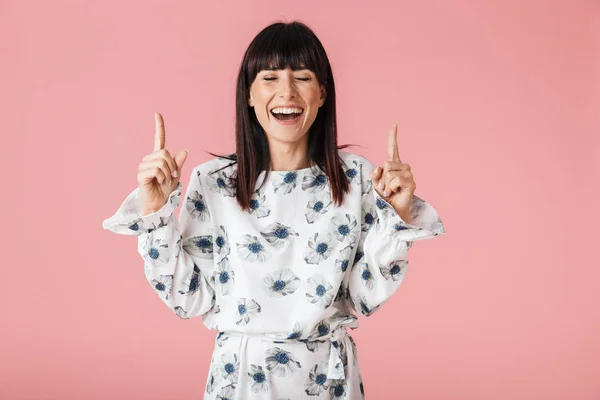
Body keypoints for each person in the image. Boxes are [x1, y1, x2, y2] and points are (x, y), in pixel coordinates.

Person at [102, 20, 445, 400]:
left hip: (328, 381)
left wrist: (394, 220)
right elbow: (188, 299)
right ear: (248, 94)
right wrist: (155, 215)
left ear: (322, 93)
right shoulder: (213, 183)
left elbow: (363, 296)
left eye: (302, 76)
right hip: (242, 380)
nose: (286, 91)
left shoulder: (358, 179)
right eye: (269, 77)